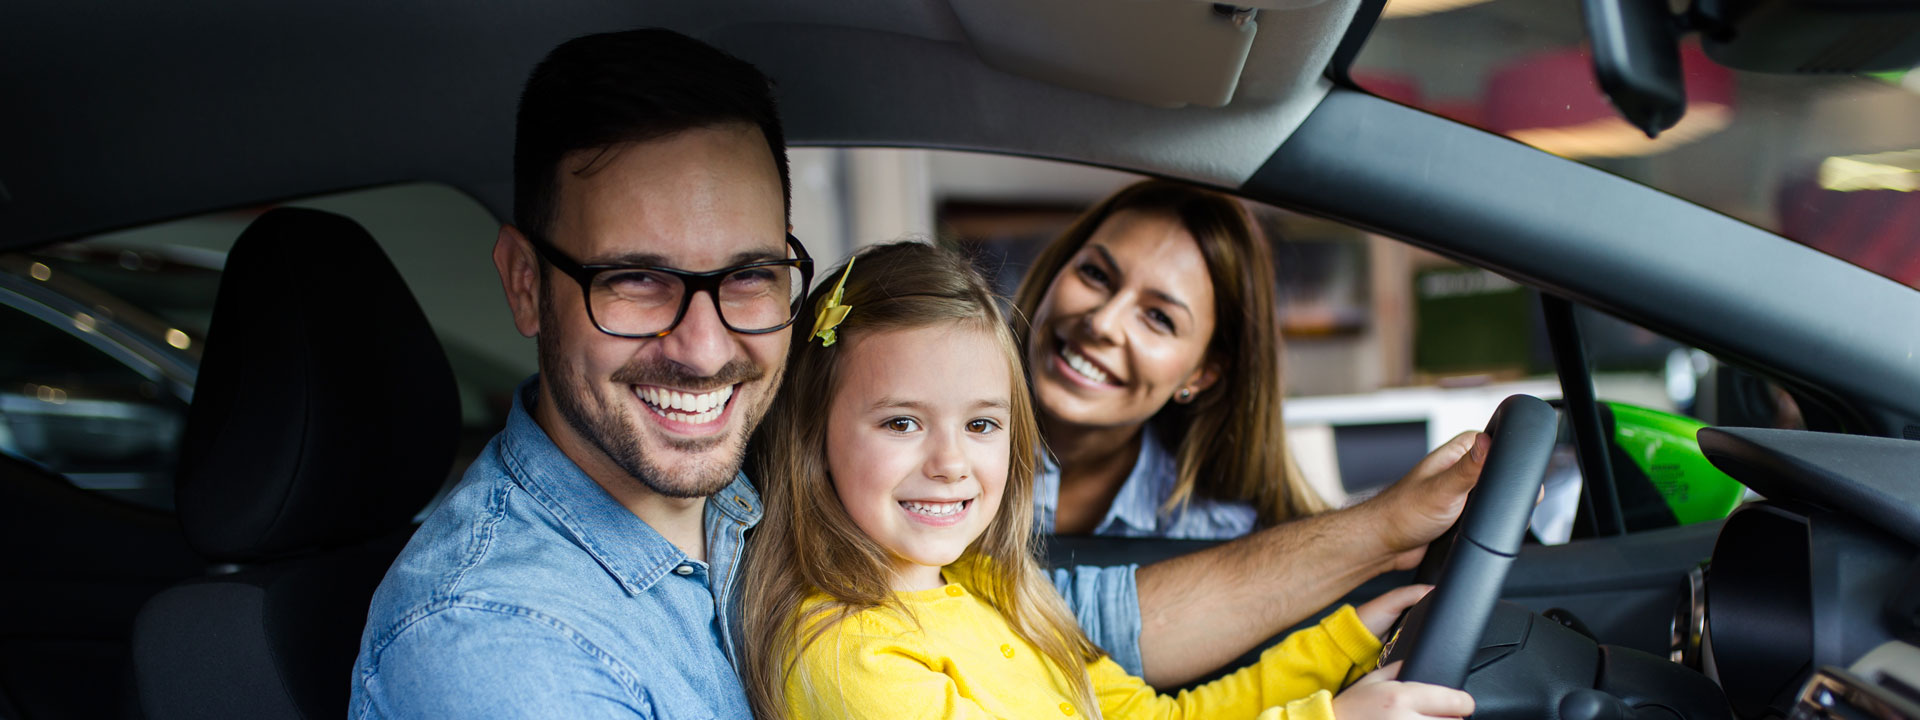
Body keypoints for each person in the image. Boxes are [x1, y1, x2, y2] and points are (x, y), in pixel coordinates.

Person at [350, 26, 1486, 717]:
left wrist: (1379, 537)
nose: (702, 345)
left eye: (749, 276)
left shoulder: (753, 489)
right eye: (636, 280)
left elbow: (1075, 639)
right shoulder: (495, 645)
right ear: (526, 285)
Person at [740, 240, 1475, 720]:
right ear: (814, 437)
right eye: (902, 422)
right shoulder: (847, 656)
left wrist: (1345, 640)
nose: (951, 463)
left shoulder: (997, 592)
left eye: (982, 424)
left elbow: (1159, 718)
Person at [1014, 180, 1321, 539]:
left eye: (1159, 317)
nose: (1102, 323)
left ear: (1202, 375)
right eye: (1095, 274)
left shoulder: (1221, 534)